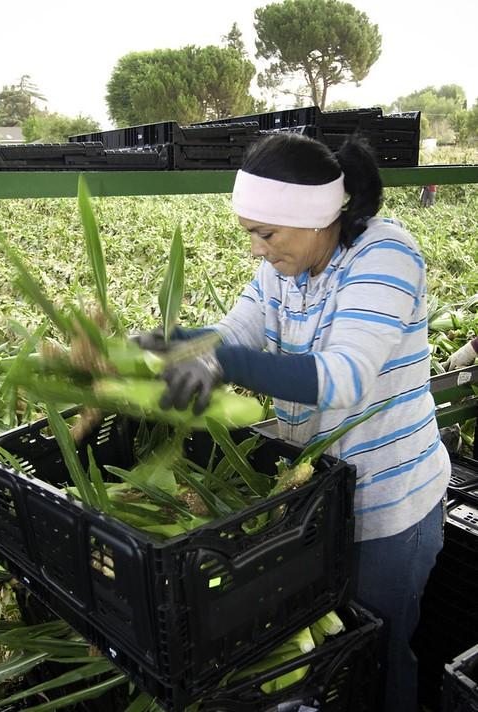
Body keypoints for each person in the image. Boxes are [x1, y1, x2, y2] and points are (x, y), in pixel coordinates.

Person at [140, 133, 450, 712]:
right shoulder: (283, 269)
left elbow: (345, 377)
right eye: (250, 234)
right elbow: (237, 333)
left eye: (266, 233)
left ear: (313, 219)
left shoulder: (386, 255)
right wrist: (174, 348)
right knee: (327, 657)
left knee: (379, 654)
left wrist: (221, 361)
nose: (257, 249)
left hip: (390, 504)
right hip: (317, 502)